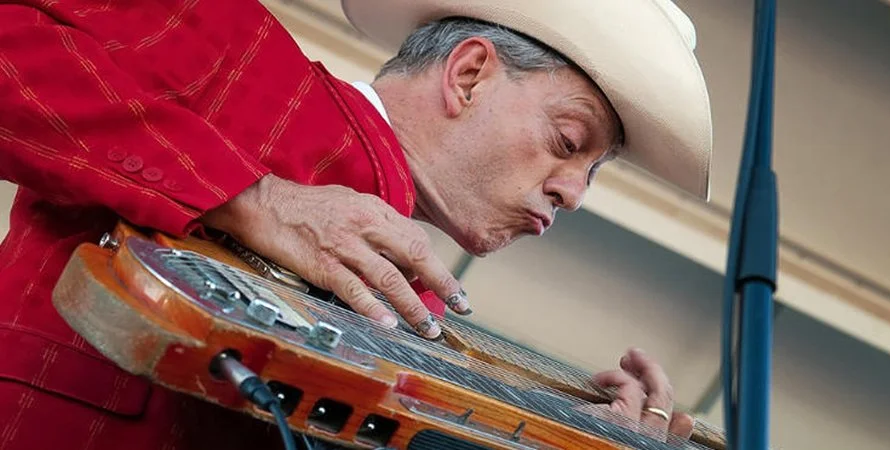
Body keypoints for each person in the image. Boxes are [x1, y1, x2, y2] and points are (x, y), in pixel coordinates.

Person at [0, 0, 712, 449]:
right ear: (468, 75)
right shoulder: (233, 43)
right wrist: (252, 198)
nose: (576, 194)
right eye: (568, 140)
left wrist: (574, 442)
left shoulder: (420, 317)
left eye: (594, 173)